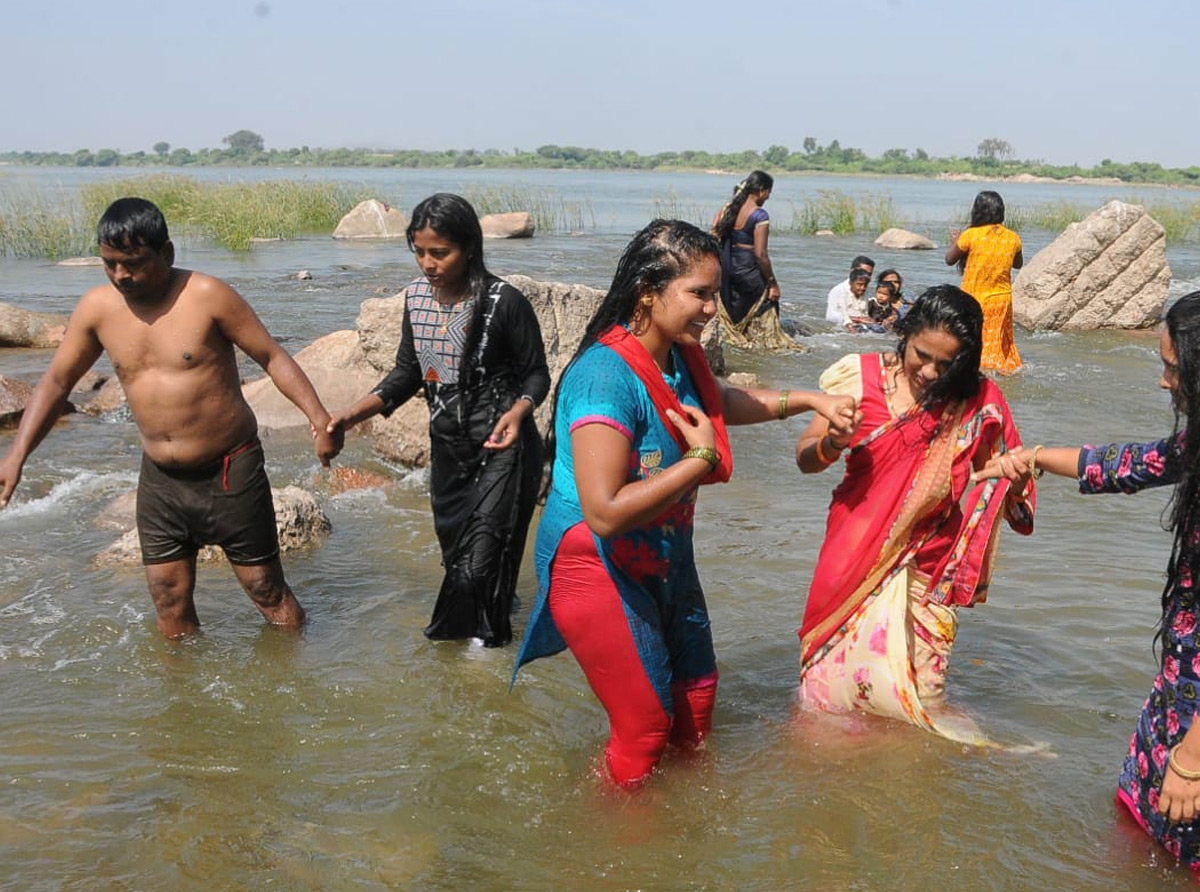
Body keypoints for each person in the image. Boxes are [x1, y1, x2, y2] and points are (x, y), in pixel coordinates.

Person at [514, 219, 858, 789]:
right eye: (699, 293)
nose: (711, 309)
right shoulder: (605, 377)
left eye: (715, 294)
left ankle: (684, 826)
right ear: (649, 292)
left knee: (696, 702)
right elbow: (603, 510)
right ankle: (618, 854)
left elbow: (718, 400)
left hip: (665, 556)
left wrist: (809, 399)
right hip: (596, 562)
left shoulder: (679, 357)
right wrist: (698, 459)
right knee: (646, 727)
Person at [0, 197, 343, 638]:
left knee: (265, 590)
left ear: (167, 253)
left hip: (228, 470)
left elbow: (271, 356)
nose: (121, 275)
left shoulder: (207, 296)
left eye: (133, 263)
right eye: (109, 264)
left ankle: (296, 678)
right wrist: (16, 456)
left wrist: (319, 420)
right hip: (160, 479)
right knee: (167, 596)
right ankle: (184, 697)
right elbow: (55, 384)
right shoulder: (98, 310)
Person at [970, 290, 1200, 871]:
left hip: (1196, 726)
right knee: (1136, 836)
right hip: (1180, 689)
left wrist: (1191, 759)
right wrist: (1035, 456)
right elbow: (1133, 462)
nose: (1163, 382)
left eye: (1172, 368)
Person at [795, 284, 1034, 742]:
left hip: (931, 558)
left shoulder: (978, 400)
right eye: (922, 355)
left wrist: (1016, 477)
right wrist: (831, 443)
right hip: (852, 551)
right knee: (826, 700)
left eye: (948, 365)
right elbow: (806, 457)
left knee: (924, 691)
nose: (929, 372)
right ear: (903, 334)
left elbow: (992, 474)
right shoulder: (857, 378)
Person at [326, 193, 548, 648]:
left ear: (469, 247)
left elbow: (537, 374)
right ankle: (481, 641)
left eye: (439, 253)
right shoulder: (417, 301)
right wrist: (351, 415)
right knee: (458, 560)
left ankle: (483, 660)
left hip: (503, 447)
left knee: (481, 557)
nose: (428, 263)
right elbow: (409, 373)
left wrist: (518, 411)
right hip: (449, 448)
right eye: (420, 251)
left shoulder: (505, 302)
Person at [945, 190, 1024, 374]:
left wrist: (955, 242)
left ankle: (979, 374)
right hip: (1001, 300)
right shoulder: (1012, 237)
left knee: (972, 341)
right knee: (998, 345)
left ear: (977, 211)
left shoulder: (971, 235)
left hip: (974, 298)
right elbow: (1018, 264)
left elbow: (949, 259)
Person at [710, 170, 779, 325]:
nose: (768, 197)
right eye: (768, 192)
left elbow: (714, 233)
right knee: (767, 305)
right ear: (762, 190)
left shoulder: (729, 209)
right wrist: (773, 284)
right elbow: (761, 255)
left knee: (736, 310)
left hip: (728, 268)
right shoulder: (760, 215)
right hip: (748, 269)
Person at [824, 255, 875, 326]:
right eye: (862, 272)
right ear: (852, 270)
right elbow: (830, 316)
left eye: (869, 274)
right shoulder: (839, 290)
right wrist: (856, 319)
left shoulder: (867, 292)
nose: (865, 276)